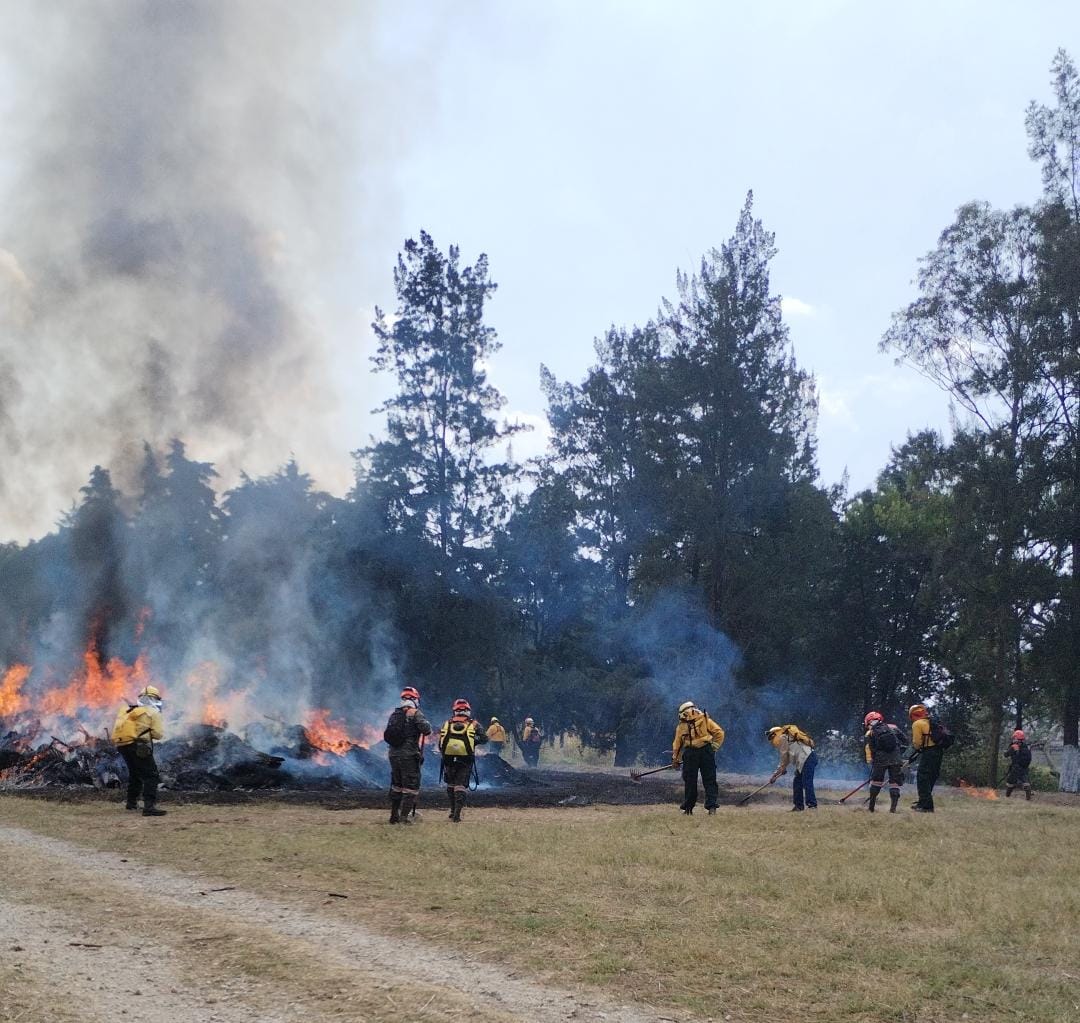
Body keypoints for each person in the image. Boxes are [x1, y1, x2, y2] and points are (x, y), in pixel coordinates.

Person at [111, 685, 166, 817]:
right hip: (140, 747)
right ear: (155, 699)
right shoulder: (153, 713)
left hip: (123, 745)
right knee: (151, 775)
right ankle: (149, 807)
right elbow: (158, 734)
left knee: (135, 774)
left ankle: (131, 803)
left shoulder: (129, 710)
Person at [384, 685, 432, 825]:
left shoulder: (394, 714)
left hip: (393, 755)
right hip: (409, 755)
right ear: (415, 700)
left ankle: (394, 815)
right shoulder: (415, 713)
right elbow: (427, 730)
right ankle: (404, 818)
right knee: (411, 787)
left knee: (396, 785)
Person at [672, 700, 725, 815]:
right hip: (706, 752)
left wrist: (675, 759)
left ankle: (688, 809)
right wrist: (713, 748)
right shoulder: (705, 720)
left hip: (691, 754)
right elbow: (719, 733)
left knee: (690, 782)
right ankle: (712, 807)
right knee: (710, 780)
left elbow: (677, 744)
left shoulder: (682, 726)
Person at [439, 699, 488, 822]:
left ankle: (452, 810)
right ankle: (457, 814)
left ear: (454, 710)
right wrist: (472, 741)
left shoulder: (447, 723)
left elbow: (441, 742)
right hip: (466, 759)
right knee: (460, 785)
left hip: (449, 759)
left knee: (451, 784)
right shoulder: (474, 724)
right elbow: (485, 739)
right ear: (468, 710)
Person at [766, 724, 818, 811]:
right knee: (797, 782)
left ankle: (812, 805)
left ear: (775, 734)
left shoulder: (783, 737)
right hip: (804, 760)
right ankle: (798, 806)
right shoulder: (788, 738)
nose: (771, 740)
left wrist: (781, 769)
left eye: (771, 737)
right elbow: (786, 759)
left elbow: (784, 756)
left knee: (806, 782)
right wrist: (776, 774)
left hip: (807, 758)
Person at [862, 711, 905, 813]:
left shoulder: (871, 732)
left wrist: (873, 760)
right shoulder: (893, 727)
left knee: (876, 782)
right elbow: (905, 740)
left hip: (880, 759)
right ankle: (893, 809)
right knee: (894, 783)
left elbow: (871, 749)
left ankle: (871, 808)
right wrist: (899, 753)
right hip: (895, 758)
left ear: (868, 722)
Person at [909, 703, 943, 813]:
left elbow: (917, 742)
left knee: (922, 777)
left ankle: (926, 806)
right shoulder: (931, 722)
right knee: (931, 777)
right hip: (938, 751)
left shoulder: (917, 724)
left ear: (913, 715)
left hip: (929, 752)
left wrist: (918, 749)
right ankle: (923, 802)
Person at [1004, 728, 1033, 800]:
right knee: (1025, 782)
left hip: (1016, 767)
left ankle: (1007, 796)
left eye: (1014, 738)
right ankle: (1028, 798)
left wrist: (1009, 749)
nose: (1013, 739)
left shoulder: (1014, 746)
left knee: (1010, 782)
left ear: (1016, 738)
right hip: (1024, 768)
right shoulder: (1026, 747)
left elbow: (1006, 755)